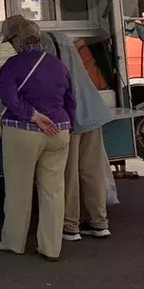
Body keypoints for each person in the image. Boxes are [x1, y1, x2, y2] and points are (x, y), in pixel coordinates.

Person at [0, 16, 76, 262]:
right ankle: (51, 248)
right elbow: (71, 100)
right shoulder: (58, 65)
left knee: (18, 190)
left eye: (10, 40)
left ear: (17, 39)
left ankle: (13, 242)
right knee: (53, 191)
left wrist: (32, 115)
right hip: (59, 131)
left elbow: (8, 98)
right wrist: (66, 126)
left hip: (23, 132)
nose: (10, 45)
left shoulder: (12, 65)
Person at [40, 28, 113, 241]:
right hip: (92, 111)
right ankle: (99, 222)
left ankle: (70, 225)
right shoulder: (67, 44)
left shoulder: (46, 47)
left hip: (70, 117)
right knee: (92, 170)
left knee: (68, 173)